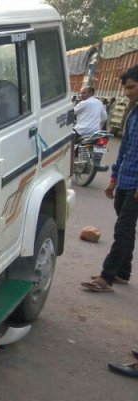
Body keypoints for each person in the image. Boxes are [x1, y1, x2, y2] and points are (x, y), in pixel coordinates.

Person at [82, 67, 138, 292]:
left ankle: (106, 277)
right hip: (125, 179)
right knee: (127, 229)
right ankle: (123, 272)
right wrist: (114, 178)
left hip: (135, 185)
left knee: (122, 230)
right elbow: (124, 148)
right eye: (125, 87)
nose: (126, 92)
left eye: (131, 87)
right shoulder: (133, 112)